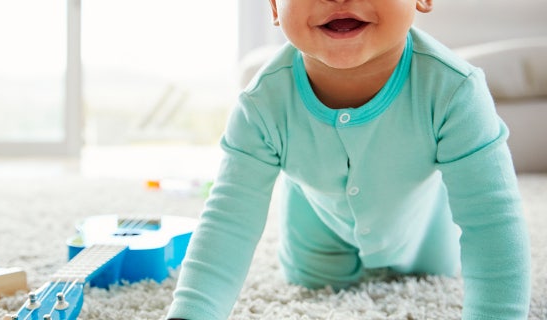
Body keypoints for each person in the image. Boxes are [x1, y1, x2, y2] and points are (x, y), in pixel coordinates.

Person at [167, 0, 531, 319]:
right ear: (275, 6)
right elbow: (228, 222)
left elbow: (492, 219)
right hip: (314, 239)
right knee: (316, 280)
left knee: (433, 268)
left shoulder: (455, 90)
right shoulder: (262, 104)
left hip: (423, 236)